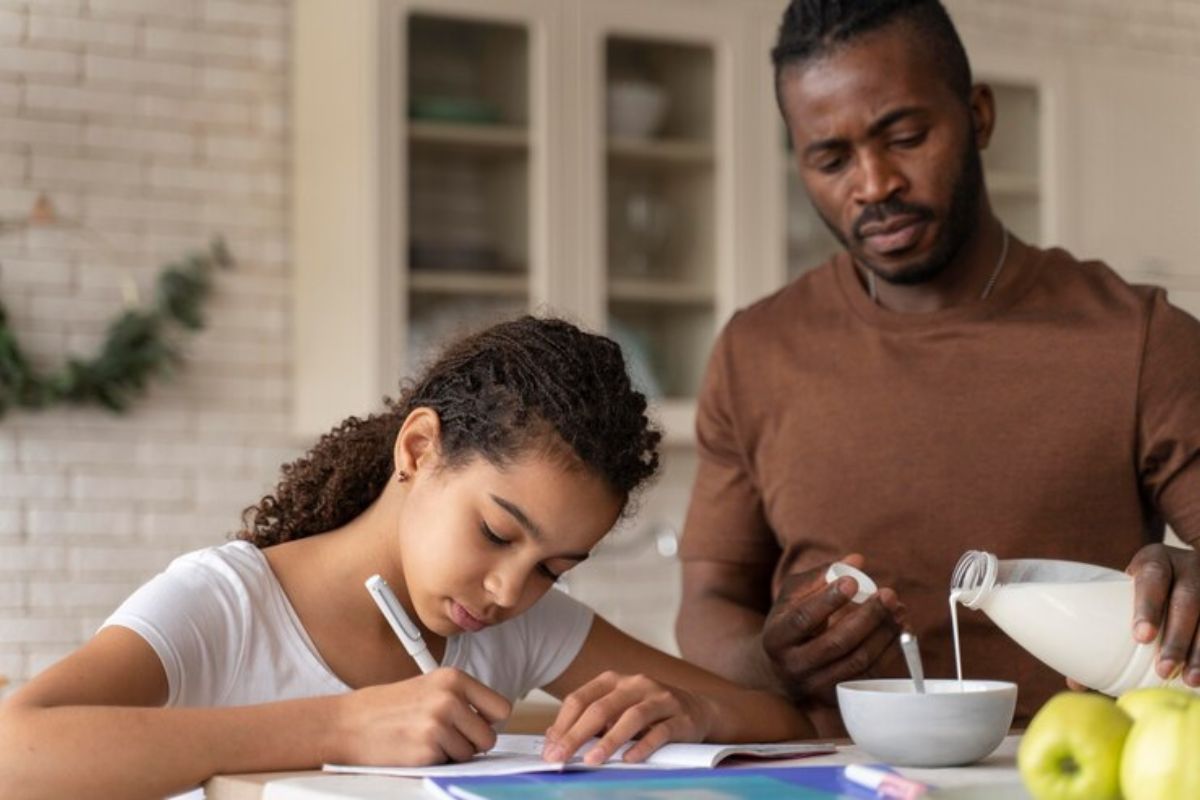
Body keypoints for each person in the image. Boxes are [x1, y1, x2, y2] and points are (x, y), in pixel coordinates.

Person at [0, 316, 813, 799]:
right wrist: (342, 726)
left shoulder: (517, 628)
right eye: (497, 533)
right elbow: (15, 752)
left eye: (553, 568)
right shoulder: (228, 605)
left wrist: (695, 714)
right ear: (419, 450)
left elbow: (781, 721)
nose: (507, 589)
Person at [675, 0, 1200, 736]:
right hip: (836, 779)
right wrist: (772, 662)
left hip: (1073, 776)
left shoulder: (1138, 338)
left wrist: (1187, 586)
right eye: (831, 159)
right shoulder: (756, 351)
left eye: (907, 137)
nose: (874, 183)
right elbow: (708, 599)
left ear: (979, 116)